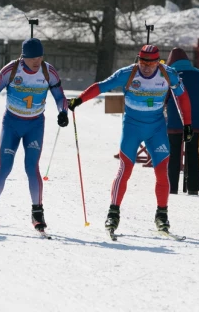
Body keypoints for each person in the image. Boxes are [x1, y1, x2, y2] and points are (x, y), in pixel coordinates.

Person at [69, 45, 192, 234]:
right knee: (125, 169)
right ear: (138, 60)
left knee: (161, 172)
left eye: (151, 63)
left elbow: (183, 97)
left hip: (157, 129)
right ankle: (113, 213)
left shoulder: (168, 74)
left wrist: (188, 124)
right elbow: (101, 86)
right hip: (132, 128)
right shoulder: (127, 73)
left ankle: (162, 215)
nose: (147, 67)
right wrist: (79, 100)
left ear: (158, 62)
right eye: (143, 62)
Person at [0, 38, 69, 233]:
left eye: (41, 57)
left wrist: (63, 112)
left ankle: (37, 213)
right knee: (4, 167)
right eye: (33, 58)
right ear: (24, 57)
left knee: (32, 167)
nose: (37, 61)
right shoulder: (11, 69)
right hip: (12, 124)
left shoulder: (47, 71)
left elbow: (60, 96)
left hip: (35, 125)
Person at [166, 47, 199, 195]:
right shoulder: (197, 74)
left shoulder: (169, 74)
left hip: (174, 121)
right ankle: (193, 187)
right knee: (193, 153)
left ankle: (172, 188)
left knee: (174, 153)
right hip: (193, 121)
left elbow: (164, 98)